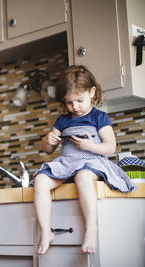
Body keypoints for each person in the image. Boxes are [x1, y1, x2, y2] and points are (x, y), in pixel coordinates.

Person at [32, 65, 137, 255]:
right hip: (67, 163)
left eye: (79, 100)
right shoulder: (62, 121)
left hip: (92, 162)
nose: (75, 107)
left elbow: (110, 146)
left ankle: (91, 228)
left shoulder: (99, 117)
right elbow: (48, 150)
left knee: (83, 176)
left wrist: (91, 147)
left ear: (92, 92)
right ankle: (46, 231)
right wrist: (47, 140)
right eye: (69, 102)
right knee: (40, 180)